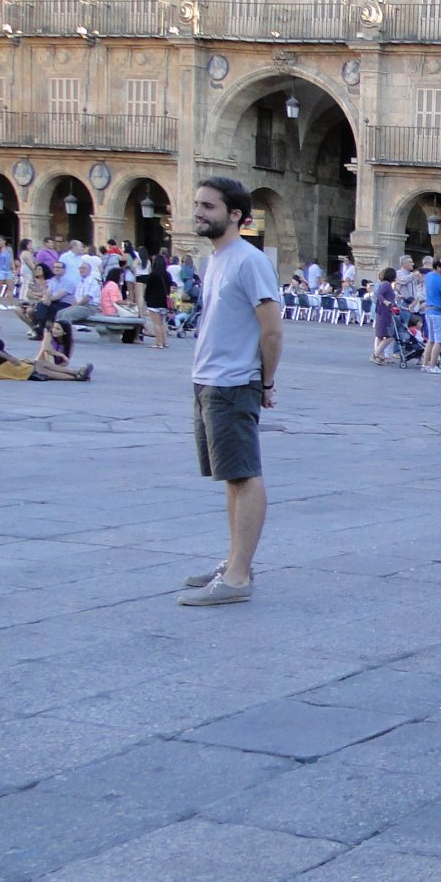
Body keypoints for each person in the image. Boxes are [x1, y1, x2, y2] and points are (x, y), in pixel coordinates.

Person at [177, 176, 283, 608]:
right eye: (198, 204)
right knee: (230, 477)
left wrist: (265, 381)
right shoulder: (217, 259)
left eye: (209, 206)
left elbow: (272, 329)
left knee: (244, 474)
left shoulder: (249, 260)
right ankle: (235, 561)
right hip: (208, 380)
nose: (199, 212)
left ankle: (238, 577)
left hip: (233, 382)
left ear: (235, 214)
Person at [0, 313, 88, 380]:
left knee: (42, 364)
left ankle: (76, 372)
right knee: (43, 370)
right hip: (3, 368)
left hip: (6, 365)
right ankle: (75, 377)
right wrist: (8, 358)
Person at [421, 258, 441, 372]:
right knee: (439, 340)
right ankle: (432, 365)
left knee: (430, 340)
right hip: (439, 311)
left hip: (429, 310)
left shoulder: (428, 276)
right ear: (438, 267)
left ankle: (425, 364)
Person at [371, 267, 398, 364]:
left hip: (382, 312)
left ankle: (380, 355)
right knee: (388, 335)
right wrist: (386, 301)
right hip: (384, 312)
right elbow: (379, 295)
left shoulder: (385, 284)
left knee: (380, 336)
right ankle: (376, 354)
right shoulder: (386, 285)